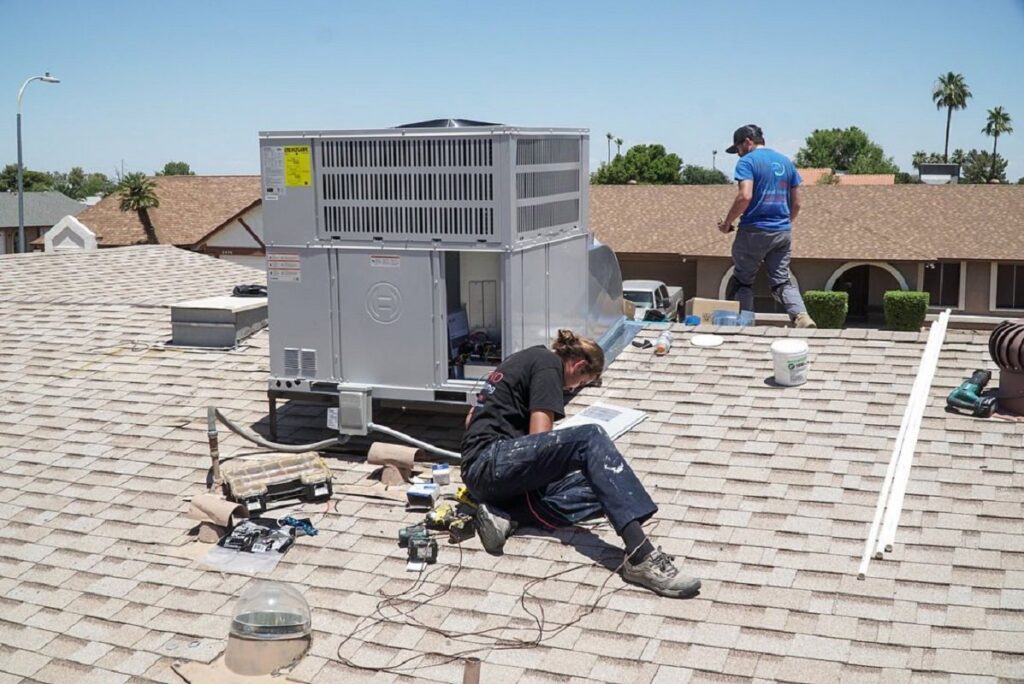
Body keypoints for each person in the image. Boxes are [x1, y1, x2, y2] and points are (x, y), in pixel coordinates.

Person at [459, 329, 701, 598]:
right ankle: (640, 555)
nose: (571, 388)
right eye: (579, 382)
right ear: (579, 365)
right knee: (590, 437)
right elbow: (541, 440)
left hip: (488, 470)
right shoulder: (548, 365)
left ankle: (507, 514)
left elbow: (471, 418)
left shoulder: (524, 360)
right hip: (489, 462)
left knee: (605, 485)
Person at [718, 124, 816, 328]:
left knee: (742, 280)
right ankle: (801, 316)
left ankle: (745, 324)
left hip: (753, 231)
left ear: (747, 141)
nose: (738, 153)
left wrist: (727, 223)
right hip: (782, 232)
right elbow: (797, 203)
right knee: (781, 280)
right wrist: (784, 224)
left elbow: (745, 196)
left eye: (737, 148)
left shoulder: (748, 161)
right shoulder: (786, 162)